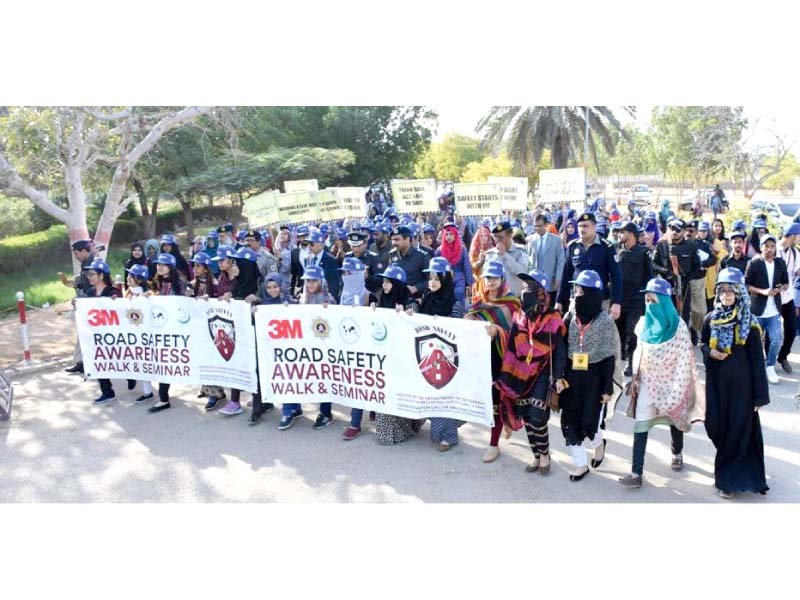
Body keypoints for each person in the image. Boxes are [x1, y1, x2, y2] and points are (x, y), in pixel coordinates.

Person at [618, 278, 699, 488]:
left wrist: (676, 392)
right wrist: (635, 378)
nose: (649, 305)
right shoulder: (643, 324)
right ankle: (636, 473)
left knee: (674, 419)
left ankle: (676, 452)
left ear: (664, 300)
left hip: (673, 382)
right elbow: (640, 351)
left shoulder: (679, 327)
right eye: (647, 300)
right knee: (641, 424)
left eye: (653, 300)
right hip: (648, 382)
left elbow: (684, 360)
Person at [701, 267, 770, 498]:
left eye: (731, 291)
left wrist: (760, 396)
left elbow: (757, 362)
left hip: (743, 390)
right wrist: (711, 353)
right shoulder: (711, 319)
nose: (726, 295)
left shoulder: (749, 323)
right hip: (717, 386)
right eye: (722, 290)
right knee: (715, 426)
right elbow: (702, 344)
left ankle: (728, 481)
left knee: (737, 432)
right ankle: (728, 473)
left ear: (740, 293)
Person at [495, 269, 566, 474]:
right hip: (520, 373)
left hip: (542, 373)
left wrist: (559, 376)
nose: (524, 293)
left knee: (537, 416)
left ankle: (544, 454)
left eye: (529, 289)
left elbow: (559, 352)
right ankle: (536, 455)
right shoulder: (519, 314)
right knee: (525, 415)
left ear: (541, 293)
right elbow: (511, 346)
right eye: (523, 288)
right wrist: (507, 374)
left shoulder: (553, 317)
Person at [560, 270, 619, 482]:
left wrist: (607, 389)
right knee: (570, 421)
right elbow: (561, 348)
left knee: (589, 423)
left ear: (593, 294)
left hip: (594, 379)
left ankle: (598, 443)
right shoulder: (570, 316)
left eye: (581, 290)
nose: (577, 294)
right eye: (576, 290)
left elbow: (609, 357)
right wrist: (559, 376)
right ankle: (580, 464)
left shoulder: (605, 322)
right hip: (572, 378)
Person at [465, 260, 522, 463]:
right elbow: (471, 317)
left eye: (494, 278)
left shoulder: (512, 303)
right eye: (487, 277)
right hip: (483, 358)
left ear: (502, 279)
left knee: (499, 401)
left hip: (503, 359)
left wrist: (497, 331)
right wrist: (470, 319)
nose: (490, 281)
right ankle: (502, 426)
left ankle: (493, 444)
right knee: (490, 401)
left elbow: (518, 333)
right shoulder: (479, 301)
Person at [217, 246, 274, 422]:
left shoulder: (261, 284)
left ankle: (258, 408)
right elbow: (233, 299)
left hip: (258, 334)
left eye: (239, 262)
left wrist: (258, 301)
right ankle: (237, 402)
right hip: (240, 332)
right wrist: (228, 296)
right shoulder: (238, 283)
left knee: (255, 368)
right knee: (239, 363)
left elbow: (273, 304)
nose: (236, 266)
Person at [415, 257, 466, 451]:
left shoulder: (455, 304)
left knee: (445, 394)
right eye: (431, 278)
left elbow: (456, 335)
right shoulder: (427, 298)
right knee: (431, 393)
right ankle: (437, 432)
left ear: (445, 279)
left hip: (446, 359)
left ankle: (449, 436)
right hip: (427, 357)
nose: (433, 282)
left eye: (437, 278)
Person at [278, 265, 337, 431]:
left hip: (323, 347)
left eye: (313, 280)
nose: (310, 284)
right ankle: (294, 409)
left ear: (320, 281)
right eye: (308, 281)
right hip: (305, 346)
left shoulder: (328, 300)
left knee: (324, 379)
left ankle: (326, 413)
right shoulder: (302, 298)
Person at [556, 212, 623, 320]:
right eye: (580, 226)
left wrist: (616, 302)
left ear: (594, 227)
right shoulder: (573, 246)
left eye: (585, 226)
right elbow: (566, 275)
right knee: (575, 333)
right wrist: (559, 300)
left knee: (599, 334)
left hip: (600, 300)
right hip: (577, 298)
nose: (582, 229)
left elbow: (617, 276)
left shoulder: (606, 247)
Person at [143, 253, 187, 414]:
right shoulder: (156, 284)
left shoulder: (180, 284)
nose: (159, 267)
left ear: (171, 267)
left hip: (174, 331)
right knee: (161, 363)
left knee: (167, 363)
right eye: (158, 264)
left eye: (163, 264)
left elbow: (185, 304)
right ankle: (163, 398)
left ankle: (163, 397)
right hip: (158, 330)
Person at [744, 234, 788, 384]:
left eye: (772, 246)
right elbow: (746, 285)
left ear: (775, 248)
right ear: (761, 247)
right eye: (766, 246)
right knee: (753, 341)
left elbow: (786, 282)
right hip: (757, 310)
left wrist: (781, 287)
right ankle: (754, 367)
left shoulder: (780, 263)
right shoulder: (754, 263)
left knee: (776, 339)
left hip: (774, 310)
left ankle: (770, 365)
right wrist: (763, 291)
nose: (769, 249)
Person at [187, 251, 227, 411]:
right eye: (194, 265)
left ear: (206, 268)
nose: (195, 269)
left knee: (213, 359)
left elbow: (220, 305)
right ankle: (207, 388)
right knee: (203, 358)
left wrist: (209, 300)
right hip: (198, 327)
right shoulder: (192, 284)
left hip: (213, 327)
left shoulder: (216, 284)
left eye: (198, 265)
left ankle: (215, 393)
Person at [82, 258, 122, 403]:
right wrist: (77, 304)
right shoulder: (90, 292)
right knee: (98, 360)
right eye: (89, 274)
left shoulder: (112, 292)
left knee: (123, 357)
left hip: (114, 335)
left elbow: (121, 308)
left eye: (92, 274)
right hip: (97, 335)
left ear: (101, 275)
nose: (89, 277)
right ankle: (107, 391)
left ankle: (132, 376)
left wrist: (114, 301)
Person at [616, 221, 653, 376]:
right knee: (618, 334)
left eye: (622, 232)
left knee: (632, 332)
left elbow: (649, 275)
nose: (619, 235)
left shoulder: (643, 252)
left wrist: (646, 296)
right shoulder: (616, 250)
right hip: (619, 299)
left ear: (631, 234)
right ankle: (617, 363)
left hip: (636, 300)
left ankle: (632, 363)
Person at [652, 218, 701, 327]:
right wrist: (666, 272)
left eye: (678, 230)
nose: (674, 232)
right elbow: (653, 264)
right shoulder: (662, 245)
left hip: (684, 287)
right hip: (666, 286)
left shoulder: (691, 246)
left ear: (684, 231)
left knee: (683, 316)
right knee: (666, 316)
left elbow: (698, 267)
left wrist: (686, 279)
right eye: (672, 229)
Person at [61, 239, 99, 374]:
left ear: (84, 251)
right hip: (86, 304)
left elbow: (96, 286)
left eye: (77, 253)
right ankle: (82, 362)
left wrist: (82, 300)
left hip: (93, 306)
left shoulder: (94, 265)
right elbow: (86, 285)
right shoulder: (85, 264)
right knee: (83, 335)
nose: (76, 256)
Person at [528, 214, 565, 309]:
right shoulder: (531, 240)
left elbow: (560, 261)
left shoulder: (556, 240)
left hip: (551, 282)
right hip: (536, 283)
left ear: (545, 225)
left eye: (540, 225)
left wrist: (558, 277)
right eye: (535, 226)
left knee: (550, 308)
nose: (537, 228)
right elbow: (529, 261)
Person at [776, 223, 800, 373]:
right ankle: (768, 360)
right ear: (792, 235)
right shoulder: (773, 249)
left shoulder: (796, 253)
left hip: (788, 296)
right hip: (772, 296)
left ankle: (783, 356)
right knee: (771, 331)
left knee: (791, 329)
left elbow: (797, 271)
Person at [484, 221, 528, 297]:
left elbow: (522, 272)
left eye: (500, 237)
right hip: (496, 299)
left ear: (510, 236)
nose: (497, 240)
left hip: (514, 299)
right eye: (495, 237)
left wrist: (505, 255)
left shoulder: (519, 251)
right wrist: (498, 255)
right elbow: (489, 275)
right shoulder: (490, 254)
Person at [435, 222, 473, 307]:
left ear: (455, 235)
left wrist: (470, 283)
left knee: (458, 296)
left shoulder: (462, 249)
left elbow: (467, 266)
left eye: (451, 234)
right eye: (446, 234)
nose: (449, 236)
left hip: (459, 278)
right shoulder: (439, 250)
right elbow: (435, 268)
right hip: (444, 278)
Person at [388, 225, 431, 301]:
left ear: (407, 239)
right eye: (392, 240)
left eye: (397, 239)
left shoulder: (422, 256)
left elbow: (431, 280)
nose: (393, 243)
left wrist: (416, 288)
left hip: (416, 299)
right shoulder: (392, 254)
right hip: (396, 298)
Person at [305, 230, 342, 302]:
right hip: (311, 298)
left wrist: (329, 299)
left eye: (312, 244)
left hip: (324, 299)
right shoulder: (308, 259)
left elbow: (334, 283)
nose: (309, 246)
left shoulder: (331, 260)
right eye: (308, 243)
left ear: (321, 245)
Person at [289, 225, 311, 296]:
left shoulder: (315, 249)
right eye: (301, 236)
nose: (304, 238)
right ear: (298, 238)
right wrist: (292, 291)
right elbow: (293, 274)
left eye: (306, 235)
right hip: (300, 288)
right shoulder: (294, 252)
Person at [274, 225, 294, 291]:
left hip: (289, 282)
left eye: (285, 234)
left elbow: (287, 268)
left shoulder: (293, 249)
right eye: (281, 234)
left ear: (289, 236)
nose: (282, 236)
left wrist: (282, 258)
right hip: (279, 282)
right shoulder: (277, 249)